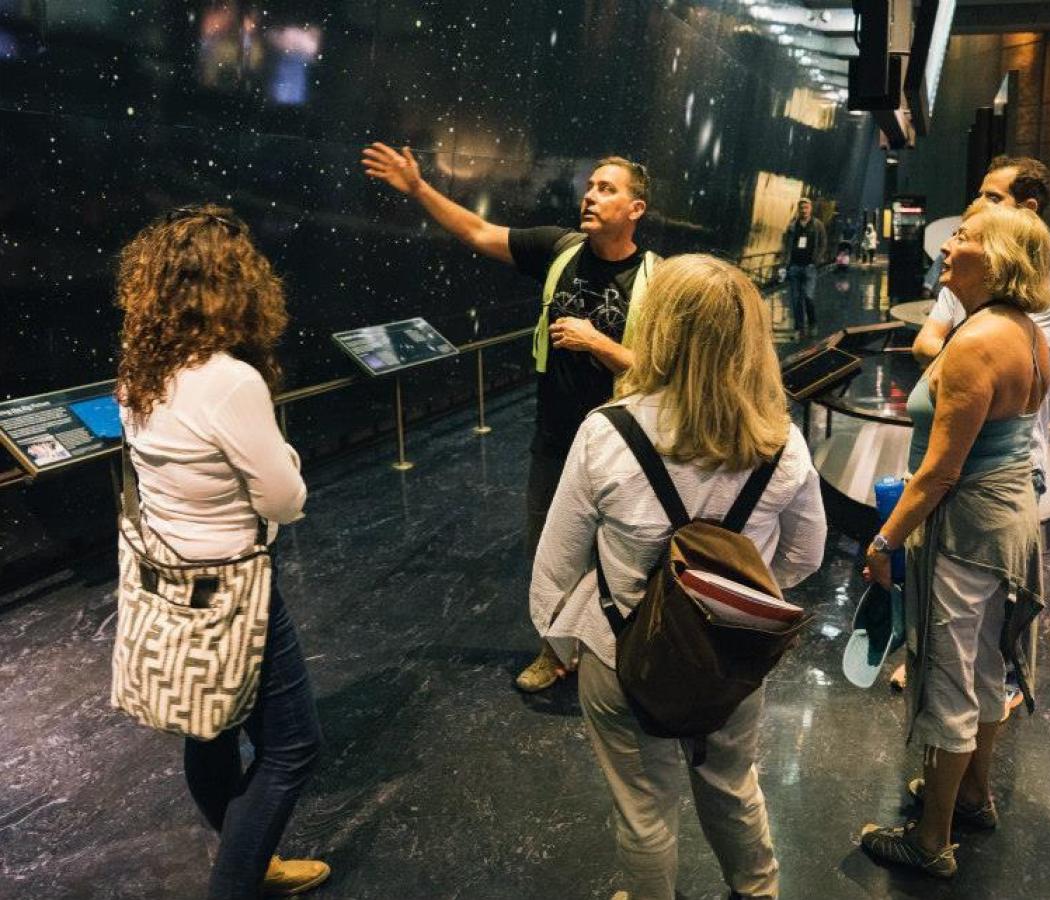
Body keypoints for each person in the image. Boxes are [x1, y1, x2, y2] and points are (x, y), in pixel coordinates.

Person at [529, 255, 826, 900]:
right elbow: (806, 556)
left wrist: (559, 644)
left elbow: (555, 568)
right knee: (733, 784)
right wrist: (725, 596)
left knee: (643, 809)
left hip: (619, 653)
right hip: (730, 657)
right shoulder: (783, 441)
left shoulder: (606, 434)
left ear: (656, 328)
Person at [361, 143, 657, 693]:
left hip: (625, 446)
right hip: (554, 441)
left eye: (607, 188)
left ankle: (622, 656)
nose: (590, 195)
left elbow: (663, 371)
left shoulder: (658, 281)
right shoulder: (558, 249)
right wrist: (419, 188)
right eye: (590, 186)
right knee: (547, 553)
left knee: (622, 555)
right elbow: (477, 232)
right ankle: (555, 651)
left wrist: (601, 345)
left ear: (635, 208)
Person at [116, 205, 326, 899]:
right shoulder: (232, 380)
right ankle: (238, 881)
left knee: (209, 726)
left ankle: (250, 859)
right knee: (293, 747)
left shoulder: (140, 370)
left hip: (172, 585)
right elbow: (284, 501)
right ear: (234, 287)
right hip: (237, 589)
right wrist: (288, 455)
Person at [859, 204, 1050, 879]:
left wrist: (884, 542)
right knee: (984, 672)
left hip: (964, 533)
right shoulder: (1026, 334)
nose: (949, 245)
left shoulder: (974, 344)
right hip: (1008, 524)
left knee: (946, 678)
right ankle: (971, 794)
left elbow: (940, 471)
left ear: (995, 258)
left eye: (965, 237)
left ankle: (930, 841)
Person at [905, 155, 1050, 702]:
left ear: (1027, 211)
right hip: (958, 443)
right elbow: (924, 345)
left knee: (986, 599)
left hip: (1006, 459)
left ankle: (988, 682)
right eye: (979, 195)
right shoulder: (971, 268)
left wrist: (885, 537)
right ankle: (943, 670)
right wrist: (964, 363)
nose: (978, 207)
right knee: (948, 599)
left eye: (994, 199)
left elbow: (1009, 373)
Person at [783, 197, 827, 336]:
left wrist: (816, 260)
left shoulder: (817, 225)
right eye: (801, 208)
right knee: (796, 300)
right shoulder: (792, 226)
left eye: (806, 207)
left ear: (810, 209)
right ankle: (799, 328)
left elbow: (823, 243)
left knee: (808, 296)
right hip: (795, 266)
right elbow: (786, 245)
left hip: (809, 267)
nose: (804, 210)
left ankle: (813, 323)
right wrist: (786, 265)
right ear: (798, 209)